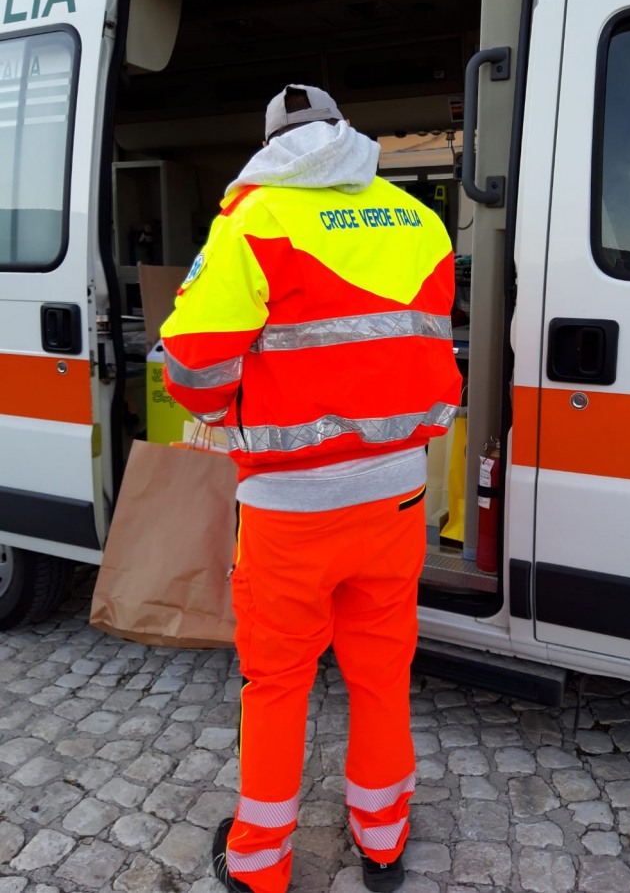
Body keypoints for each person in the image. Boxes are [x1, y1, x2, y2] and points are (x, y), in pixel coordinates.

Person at [160, 84, 462, 893]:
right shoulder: (418, 220)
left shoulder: (255, 220)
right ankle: (384, 837)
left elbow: (190, 367)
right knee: (381, 671)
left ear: (271, 144)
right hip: (397, 496)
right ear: (342, 132)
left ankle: (259, 863)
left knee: (278, 684)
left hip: (291, 508)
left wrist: (237, 397)